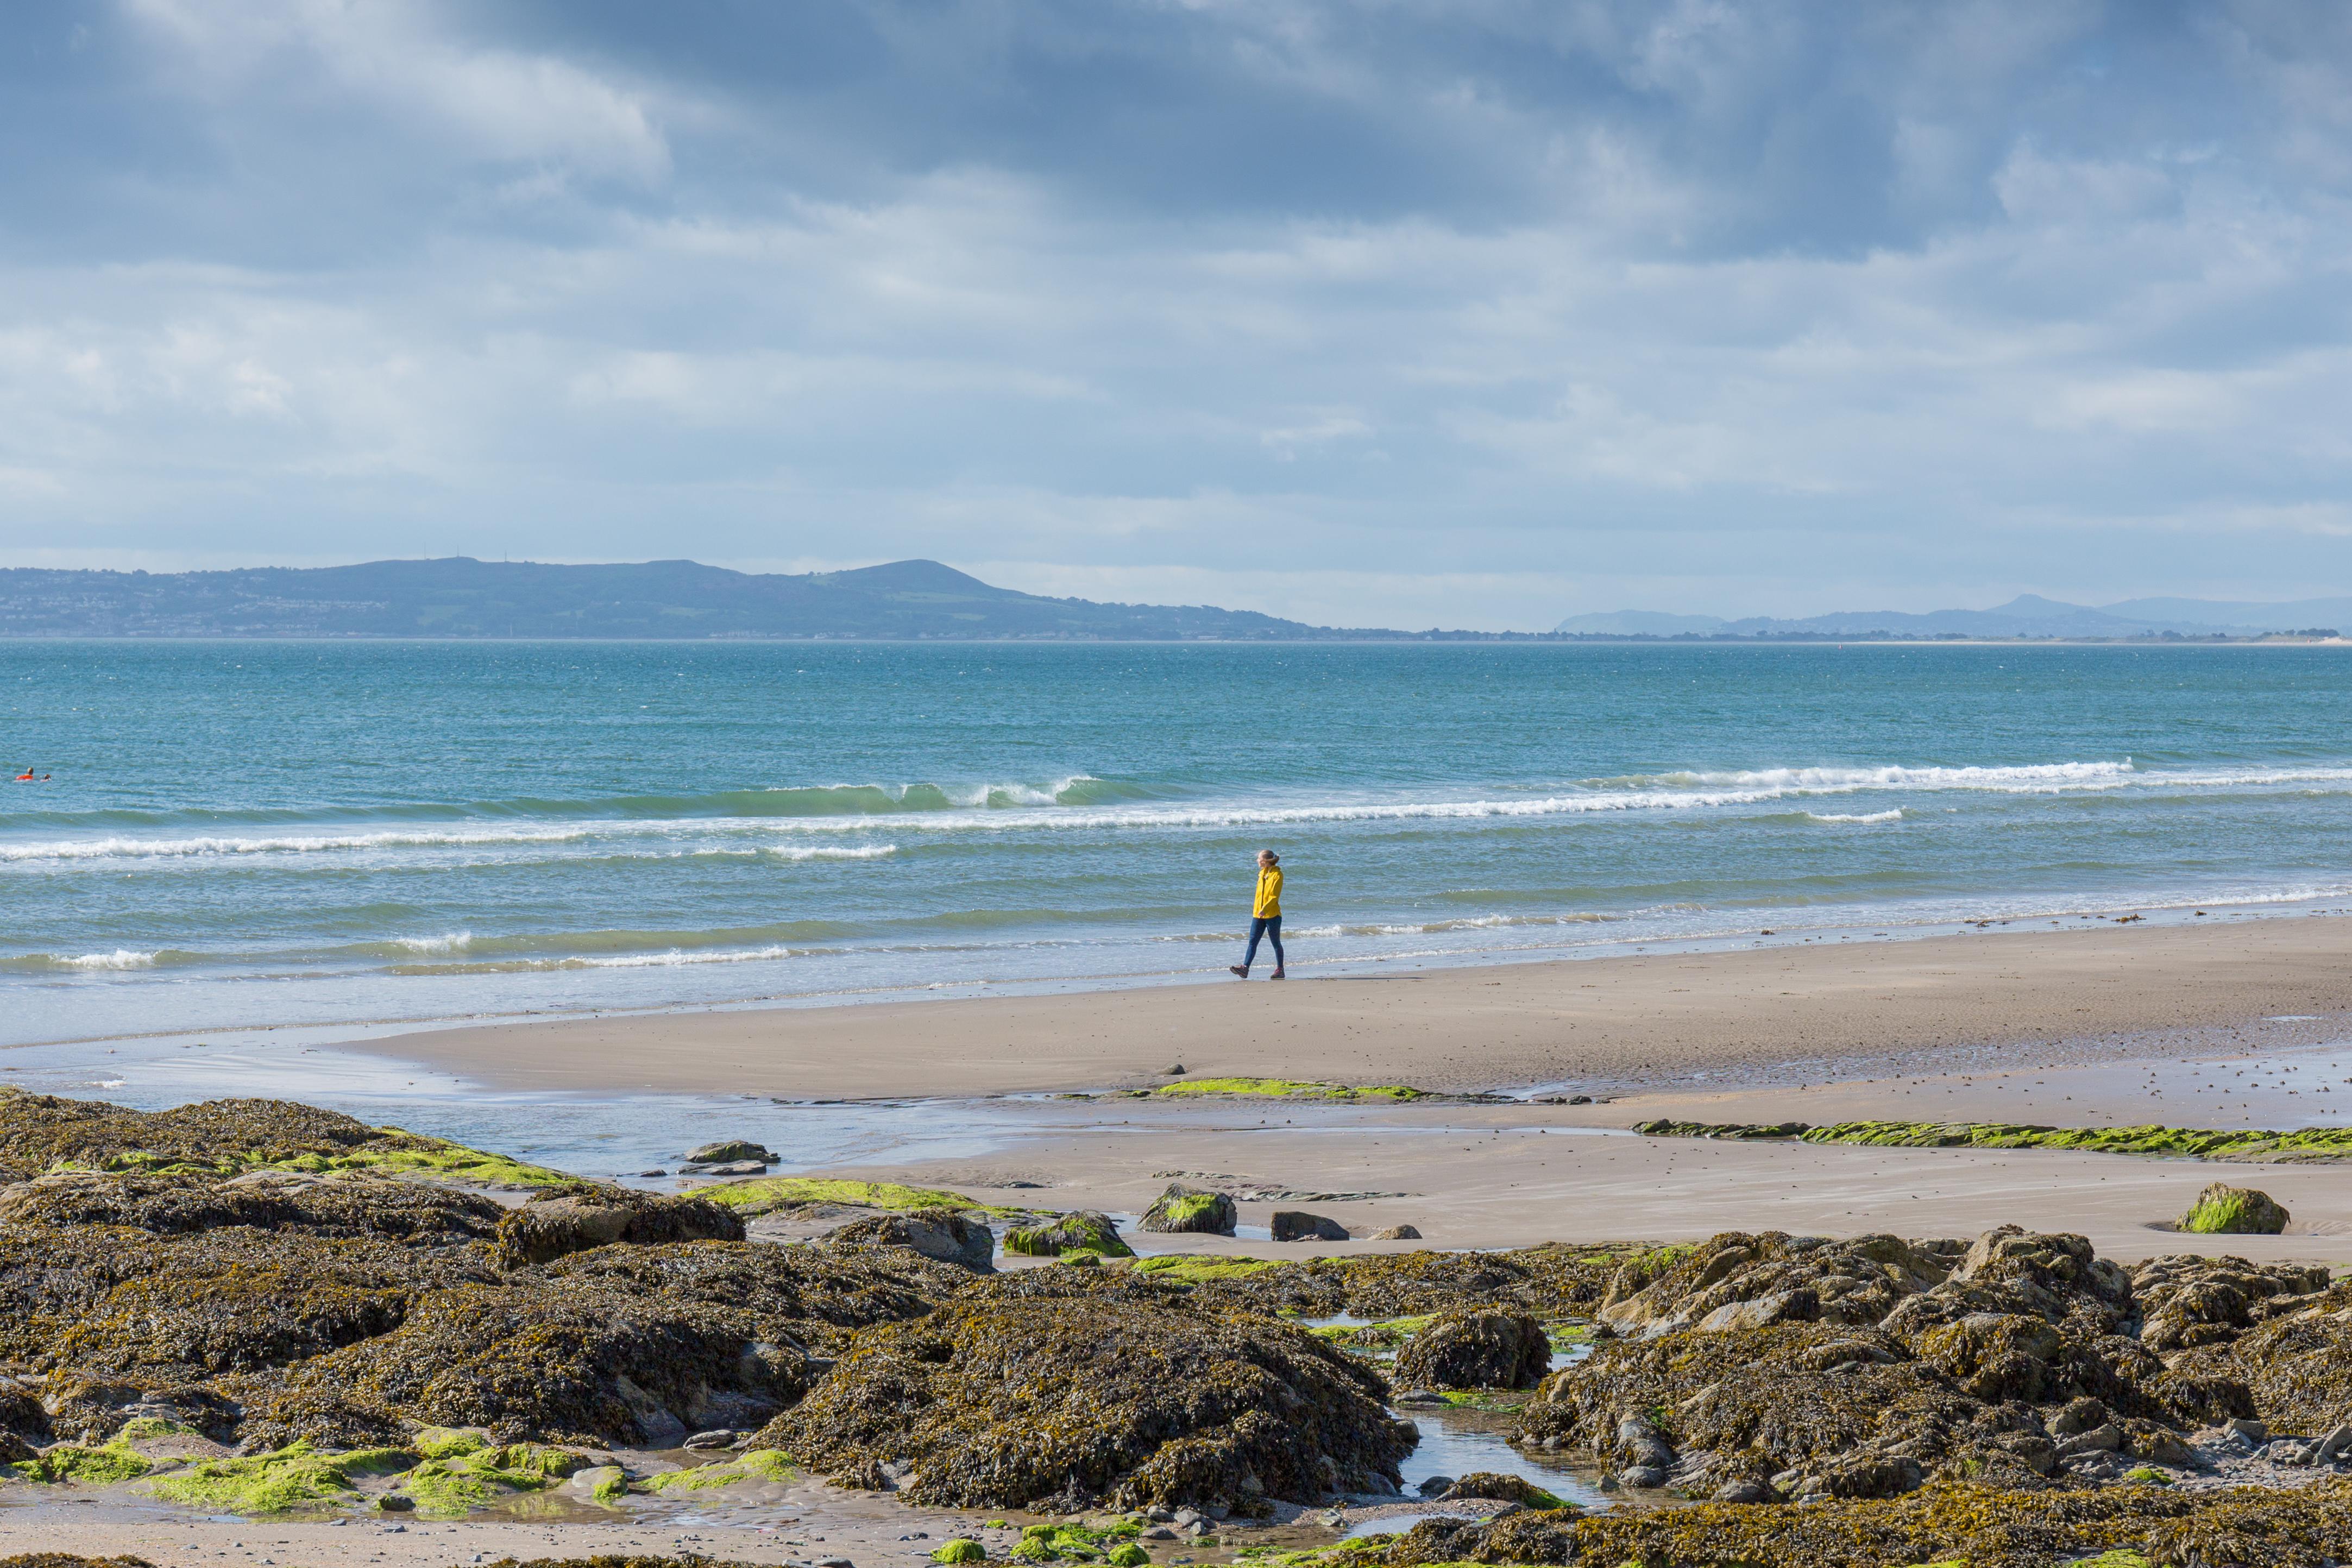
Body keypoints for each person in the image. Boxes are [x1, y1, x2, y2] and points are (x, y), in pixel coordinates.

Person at [1229, 849, 1285, 980]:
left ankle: (1280, 970)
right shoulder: (1261, 874)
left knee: (1276, 943)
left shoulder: (1278, 875)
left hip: (1272, 915)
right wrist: (1258, 910)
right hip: (1258, 915)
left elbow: (1274, 896)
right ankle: (1245, 968)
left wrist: (1265, 909)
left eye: (1259, 859)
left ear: (1265, 861)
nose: (1257, 861)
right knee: (1252, 942)